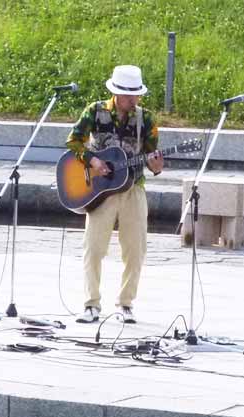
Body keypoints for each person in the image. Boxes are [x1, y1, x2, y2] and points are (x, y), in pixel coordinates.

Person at [65, 65, 164, 324]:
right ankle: (91, 304)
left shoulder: (147, 119)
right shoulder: (94, 111)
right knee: (94, 248)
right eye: (130, 95)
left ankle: (126, 304)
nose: (135, 100)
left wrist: (156, 165)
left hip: (134, 187)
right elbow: (73, 141)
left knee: (135, 249)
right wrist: (92, 161)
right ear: (117, 94)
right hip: (100, 190)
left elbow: (154, 159)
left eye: (137, 95)